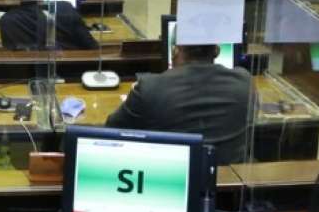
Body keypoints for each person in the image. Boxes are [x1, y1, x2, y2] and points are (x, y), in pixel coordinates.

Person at [105, 42, 257, 164]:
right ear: (216, 51)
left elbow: (111, 129)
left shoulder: (150, 87)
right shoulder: (245, 82)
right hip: (229, 189)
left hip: (168, 183)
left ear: (175, 51)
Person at [0, 0, 98, 51]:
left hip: (26, 73)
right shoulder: (65, 8)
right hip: (67, 70)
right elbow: (91, 46)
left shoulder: (6, 21)